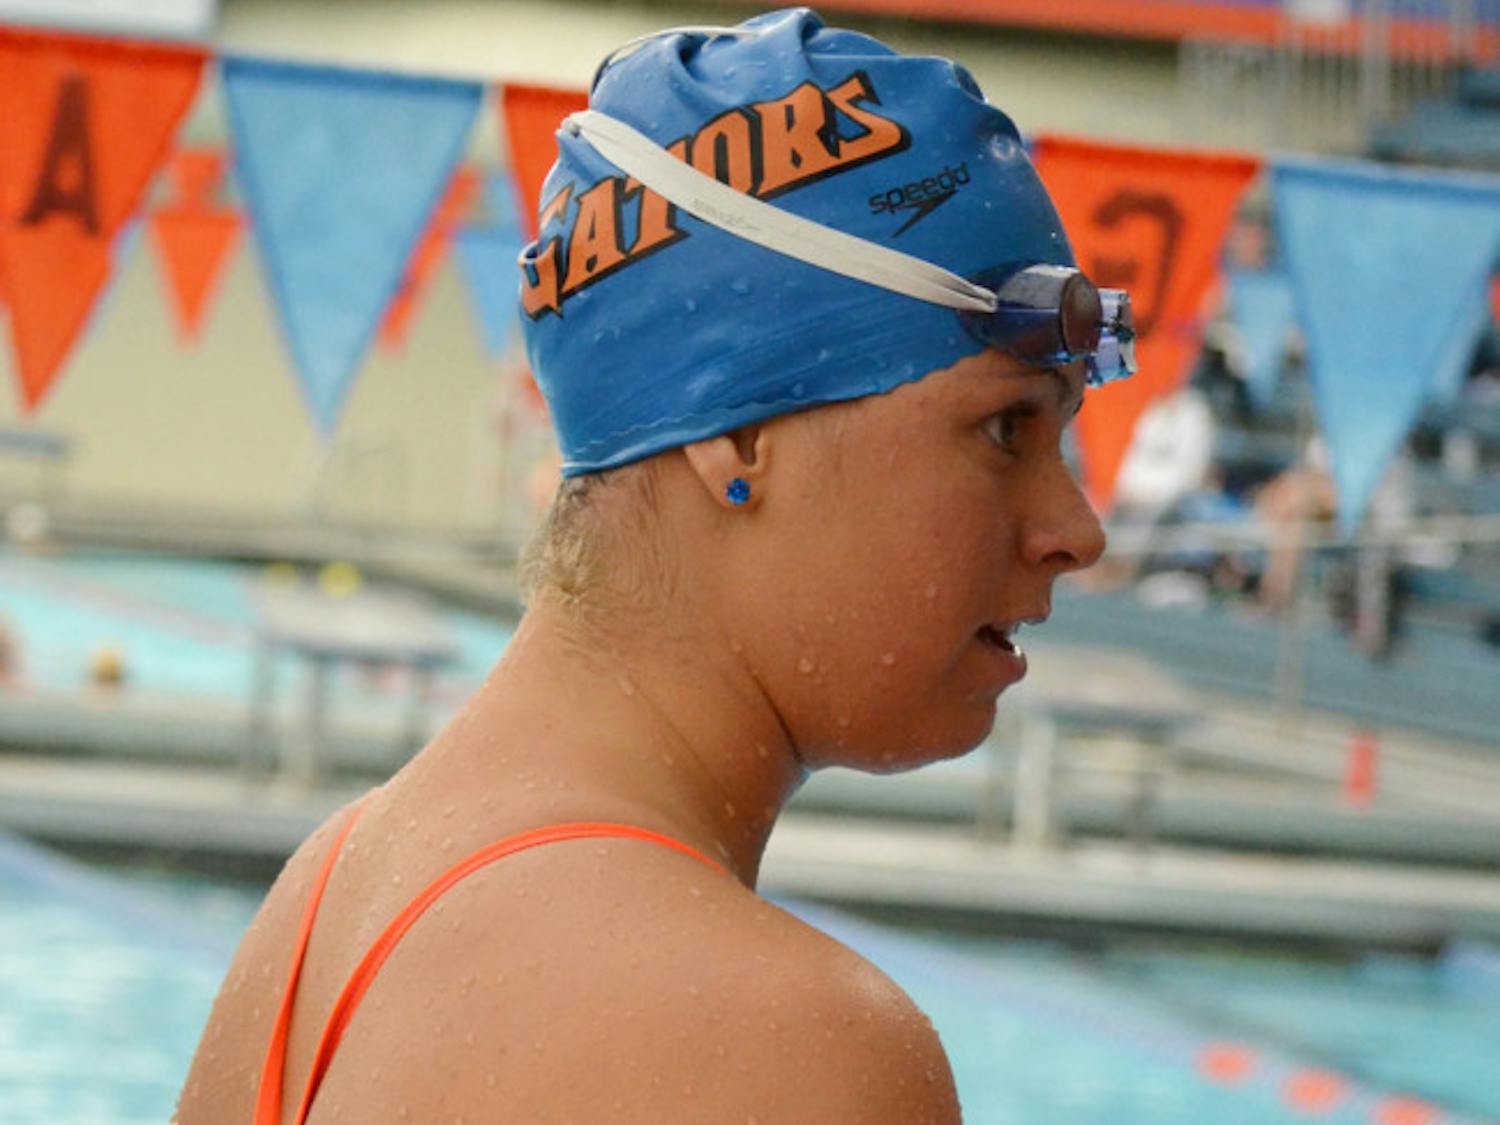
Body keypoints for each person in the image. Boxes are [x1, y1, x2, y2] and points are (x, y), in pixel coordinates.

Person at [177, 10, 1132, 1122]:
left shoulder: (319, 906)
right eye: (1006, 428)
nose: (1078, 529)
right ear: (737, 436)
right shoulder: (791, 1047)